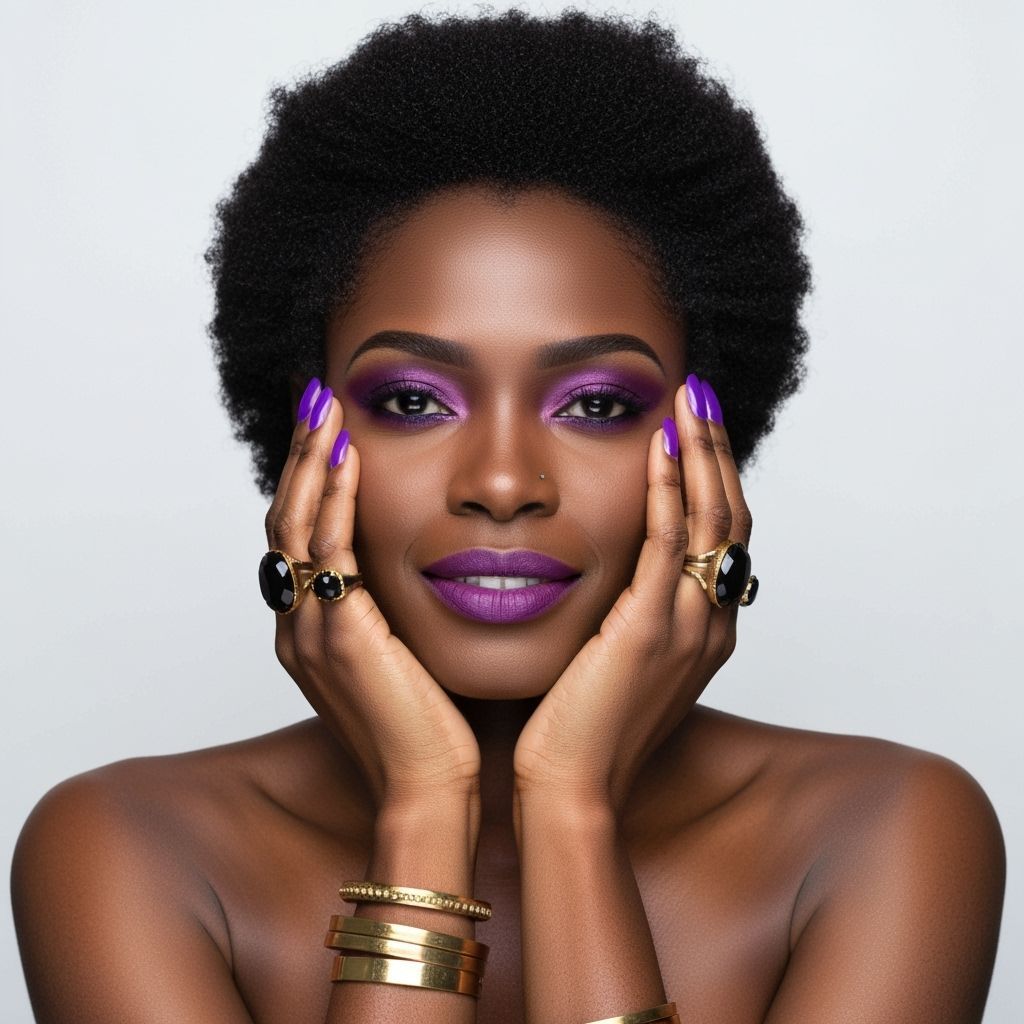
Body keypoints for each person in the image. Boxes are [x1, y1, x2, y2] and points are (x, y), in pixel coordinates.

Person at [11, 8, 1005, 1024]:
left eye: (596, 405)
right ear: (304, 438)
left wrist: (571, 808)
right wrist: (424, 803)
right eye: (410, 401)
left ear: (707, 447)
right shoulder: (128, 846)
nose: (500, 480)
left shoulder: (887, 832)